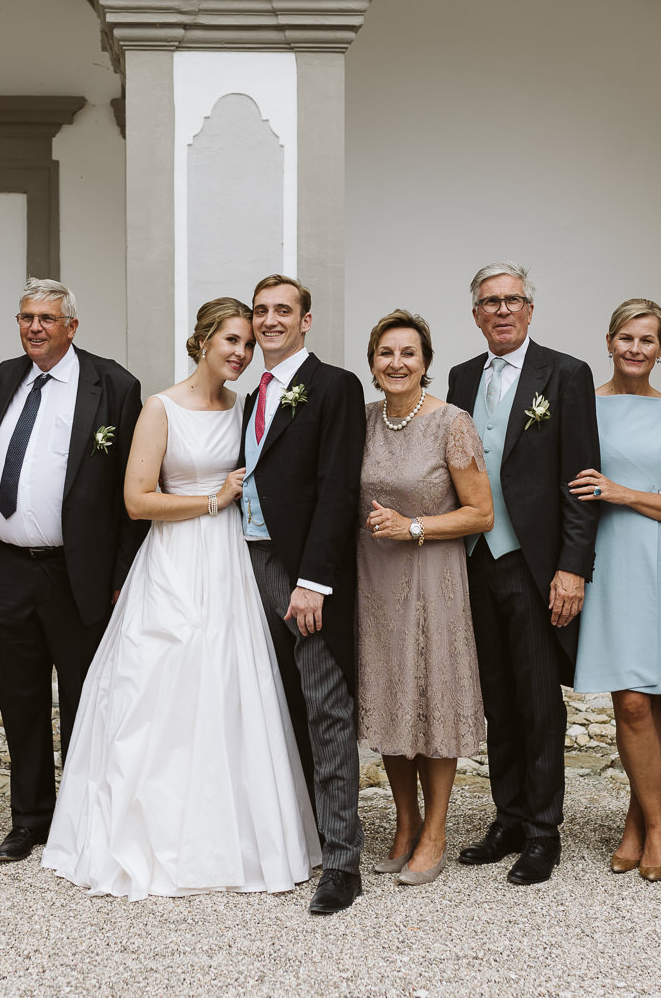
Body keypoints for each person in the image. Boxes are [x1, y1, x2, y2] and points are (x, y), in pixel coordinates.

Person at [43, 298, 320, 898]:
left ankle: (238, 836)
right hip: (174, 557)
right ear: (202, 342)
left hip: (233, 562)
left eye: (249, 345)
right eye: (232, 342)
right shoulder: (159, 408)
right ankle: (152, 828)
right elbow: (138, 500)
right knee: (159, 684)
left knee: (232, 684)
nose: (243, 354)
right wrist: (212, 502)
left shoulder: (247, 408)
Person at [0, 278, 147, 864]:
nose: (35, 329)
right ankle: (29, 819)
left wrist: (121, 571)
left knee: (82, 699)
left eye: (47, 319)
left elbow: (131, 487)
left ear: (72, 326)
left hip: (79, 573)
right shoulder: (4, 377)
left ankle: (79, 818)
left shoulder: (114, 386)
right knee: (19, 701)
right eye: (26, 318)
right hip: (7, 570)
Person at [448, 262, 600, 886]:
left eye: (513, 300)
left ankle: (542, 830)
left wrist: (572, 568)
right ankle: (507, 815)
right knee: (497, 698)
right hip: (471, 562)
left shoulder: (565, 374)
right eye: (490, 302)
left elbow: (581, 481)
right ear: (477, 314)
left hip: (534, 566)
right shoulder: (460, 378)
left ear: (530, 310)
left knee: (538, 699)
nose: (502, 310)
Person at [239, 273, 368, 915]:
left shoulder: (334, 385)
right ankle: (299, 840)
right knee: (275, 704)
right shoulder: (250, 395)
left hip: (302, 572)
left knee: (325, 705)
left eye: (282, 310)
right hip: (246, 560)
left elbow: (339, 486)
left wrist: (314, 580)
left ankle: (343, 864)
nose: (269, 320)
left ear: (305, 320)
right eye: (261, 311)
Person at [566, 299, 661, 883]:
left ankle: (649, 825)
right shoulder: (581, 407)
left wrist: (623, 493)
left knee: (646, 697)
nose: (635, 349)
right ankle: (648, 820)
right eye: (627, 337)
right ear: (608, 340)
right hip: (601, 560)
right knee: (628, 700)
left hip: (656, 560)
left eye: (648, 340)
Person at [356, 310, 492, 887]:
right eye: (386, 353)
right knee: (389, 696)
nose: (397, 363)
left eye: (408, 353)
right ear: (372, 364)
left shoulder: (451, 423)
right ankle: (404, 822)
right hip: (375, 579)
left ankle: (436, 830)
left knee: (432, 697)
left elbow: (481, 513)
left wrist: (414, 526)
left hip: (431, 576)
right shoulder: (362, 421)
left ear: (426, 362)